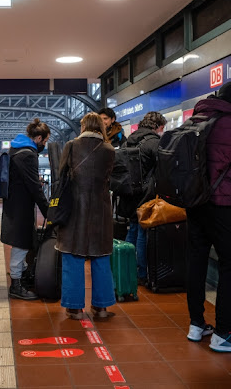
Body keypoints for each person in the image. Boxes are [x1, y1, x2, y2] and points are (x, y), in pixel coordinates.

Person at [185, 80, 231, 353]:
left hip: (196, 204)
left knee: (197, 262)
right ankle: (223, 333)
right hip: (224, 205)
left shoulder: (198, 116)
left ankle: (196, 324)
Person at [56, 112, 117, 321]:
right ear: (101, 127)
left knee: (73, 257)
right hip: (101, 210)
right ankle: (101, 308)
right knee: (100, 257)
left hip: (74, 209)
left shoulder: (72, 146)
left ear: (83, 127)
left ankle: (74, 309)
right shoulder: (109, 150)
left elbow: (61, 176)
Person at [0, 118, 51, 300]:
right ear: (38, 138)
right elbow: (34, 187)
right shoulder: (28, 154)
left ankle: (21, 276)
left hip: (15, 204)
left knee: (21, 242)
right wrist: (48, 211)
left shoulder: (16, 148)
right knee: (21, 244)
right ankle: (16, 285)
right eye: (44, 141)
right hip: (21, 206)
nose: (44, 145)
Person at [121, 111, 167, 286]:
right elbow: (163, 167)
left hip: (129, 194)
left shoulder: (129, 140)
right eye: (162, 128)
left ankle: (126, 269)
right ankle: (141, 273)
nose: (163, 131)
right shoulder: (154, 142)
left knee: (132, 230)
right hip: (146, 194)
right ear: (156, 127)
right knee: (142, 232)